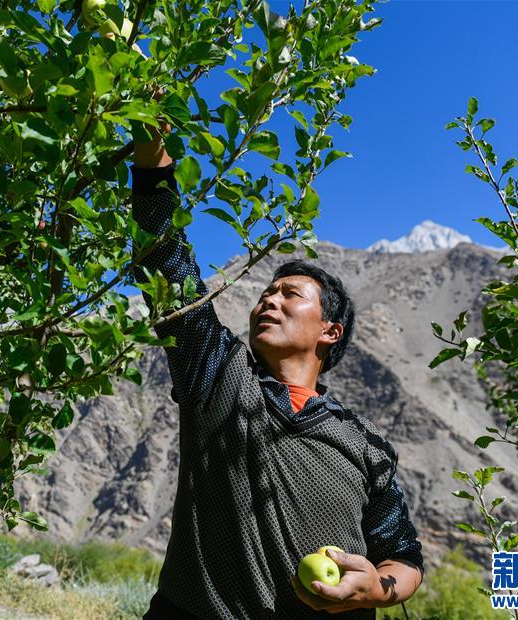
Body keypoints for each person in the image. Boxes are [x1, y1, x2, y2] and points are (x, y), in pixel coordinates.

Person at [130, 124, 424, 619]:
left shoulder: (366, 445)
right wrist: (150, 148)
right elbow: (166, 261)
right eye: (268, 292)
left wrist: (377, 587)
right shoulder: (217, 376)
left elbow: (405, 557)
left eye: (290, 294)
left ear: (329, 332)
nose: (269, 298)